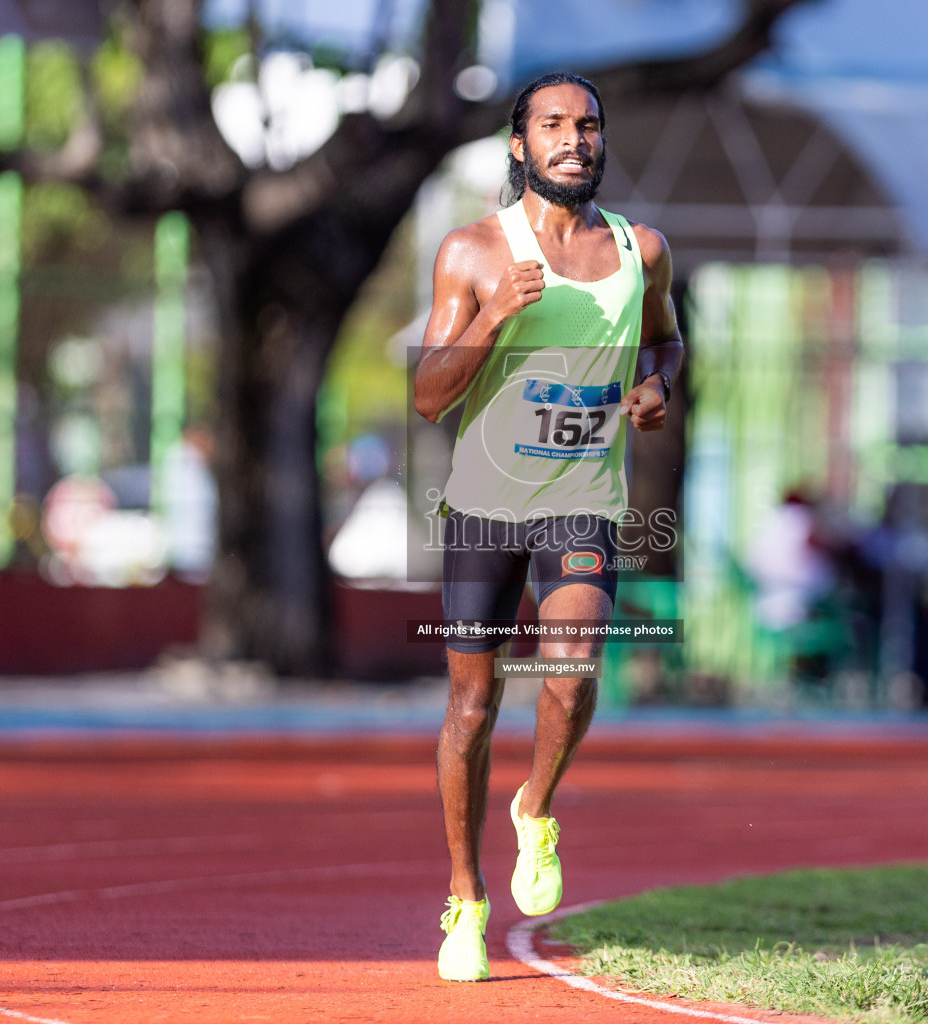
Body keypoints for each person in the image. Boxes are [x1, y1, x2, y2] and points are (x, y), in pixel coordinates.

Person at [413, 71, 683, 982]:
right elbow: (427, 397)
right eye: (554, 126)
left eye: (590, 125)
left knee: (569, 674)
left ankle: (536, 804)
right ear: (520, 146)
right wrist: (493, 314)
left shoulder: (642, 250)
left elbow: (665, 340)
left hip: (584, 496)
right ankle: (464, 896)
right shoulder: (473, 252)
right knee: (473, 706)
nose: (576, 139)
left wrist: (657, 387)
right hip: (485, 506)